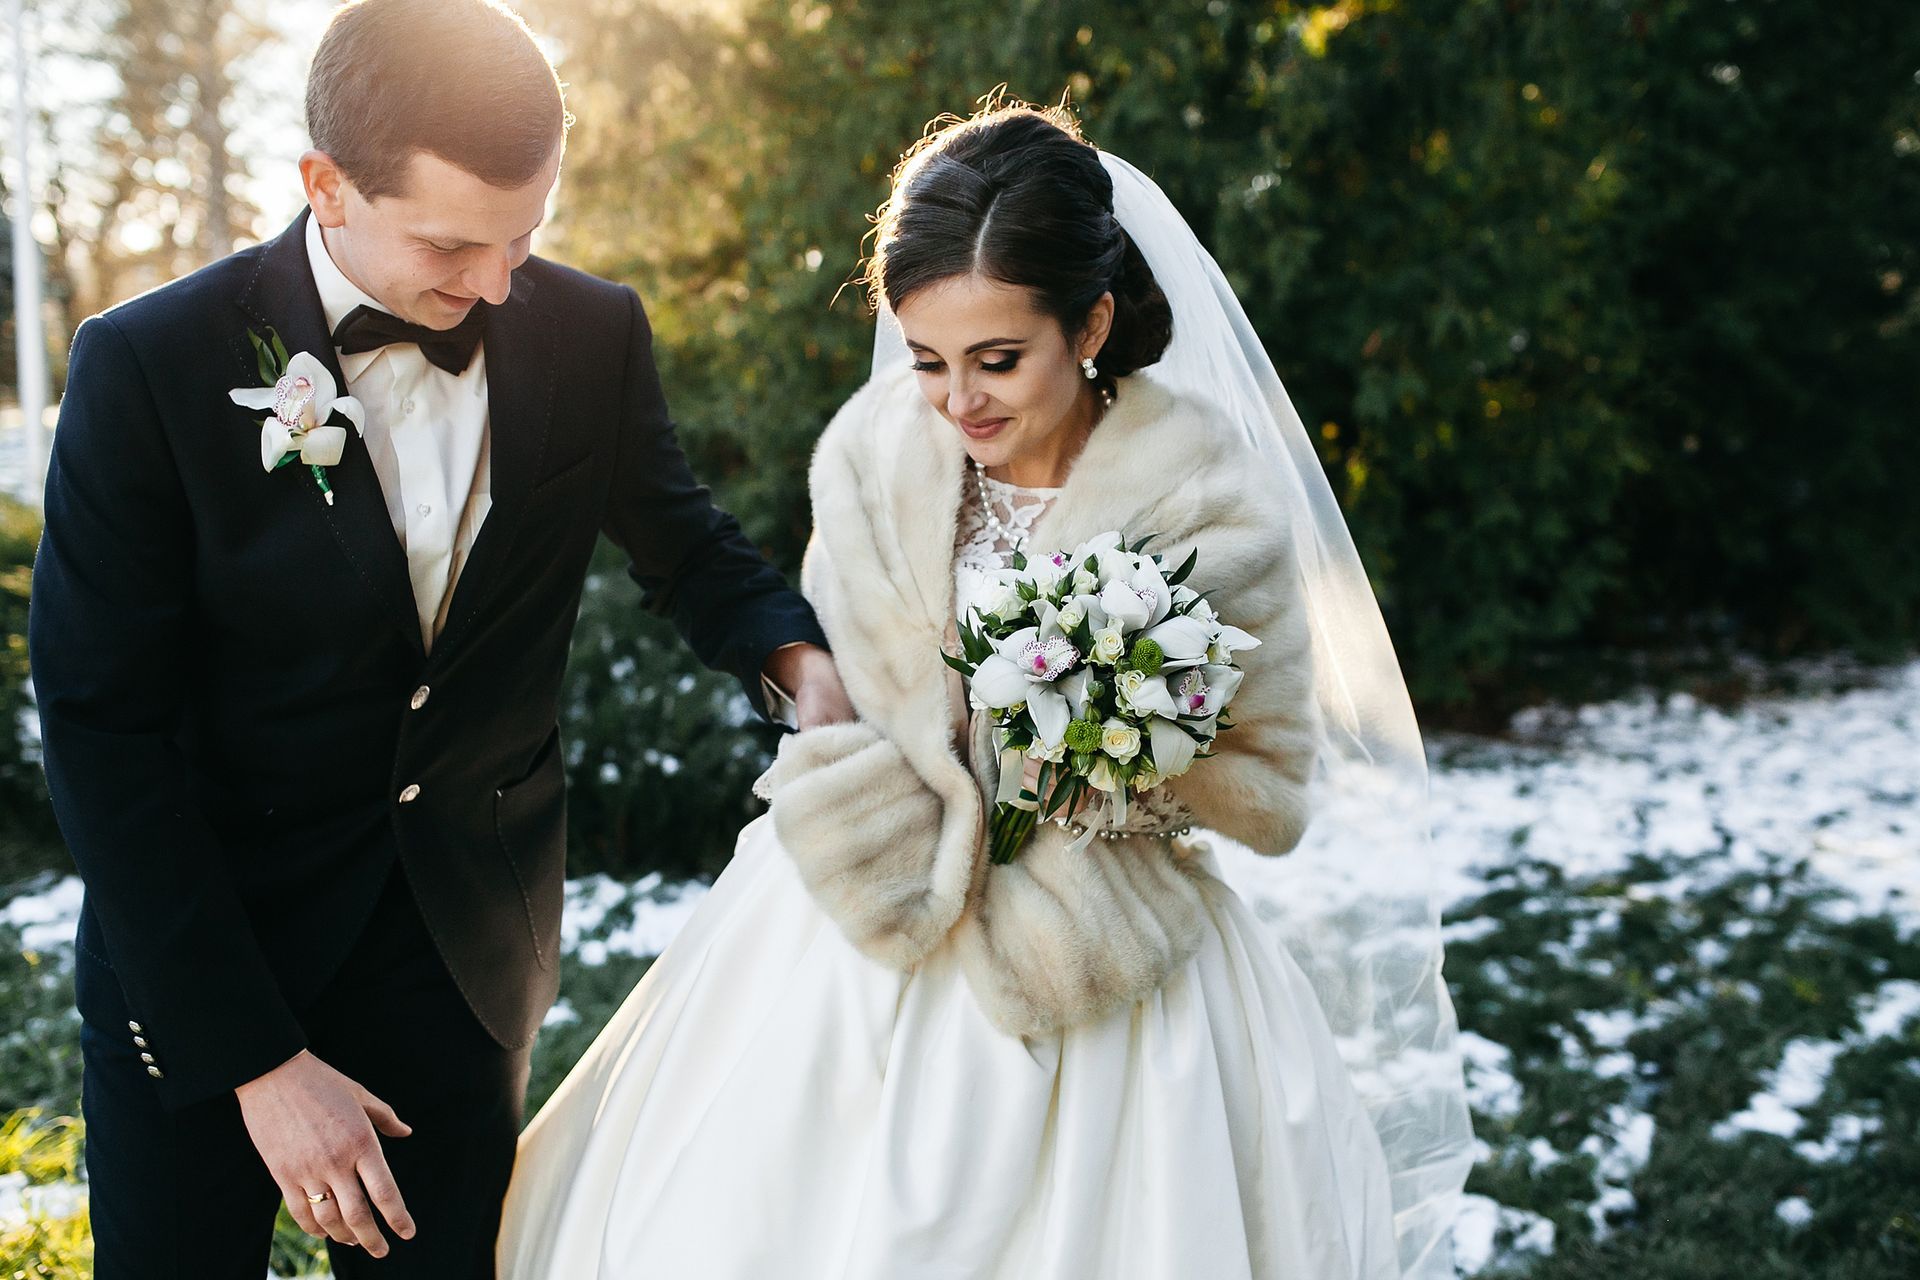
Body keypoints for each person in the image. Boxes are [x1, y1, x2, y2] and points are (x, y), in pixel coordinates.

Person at [497, 101, 1475, 1279]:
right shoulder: (878, 462)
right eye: (927, 360)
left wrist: (1122, 746)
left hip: (1106, 948)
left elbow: (1265, 788)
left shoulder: (1206, 499)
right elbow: (853, 682)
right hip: (866, 903)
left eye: (998, 359)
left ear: (1093, 322)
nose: (959, 401)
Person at [26, 1, 851, 1275]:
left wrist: (801, 667)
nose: (499, 284)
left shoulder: (589, 334)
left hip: (463, 950)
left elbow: (688, 547)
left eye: (529, 234)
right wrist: (256, 1058)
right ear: (325, 184)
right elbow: (101, 729)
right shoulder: (148, 366)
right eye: (455, 243)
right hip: (204, 945)